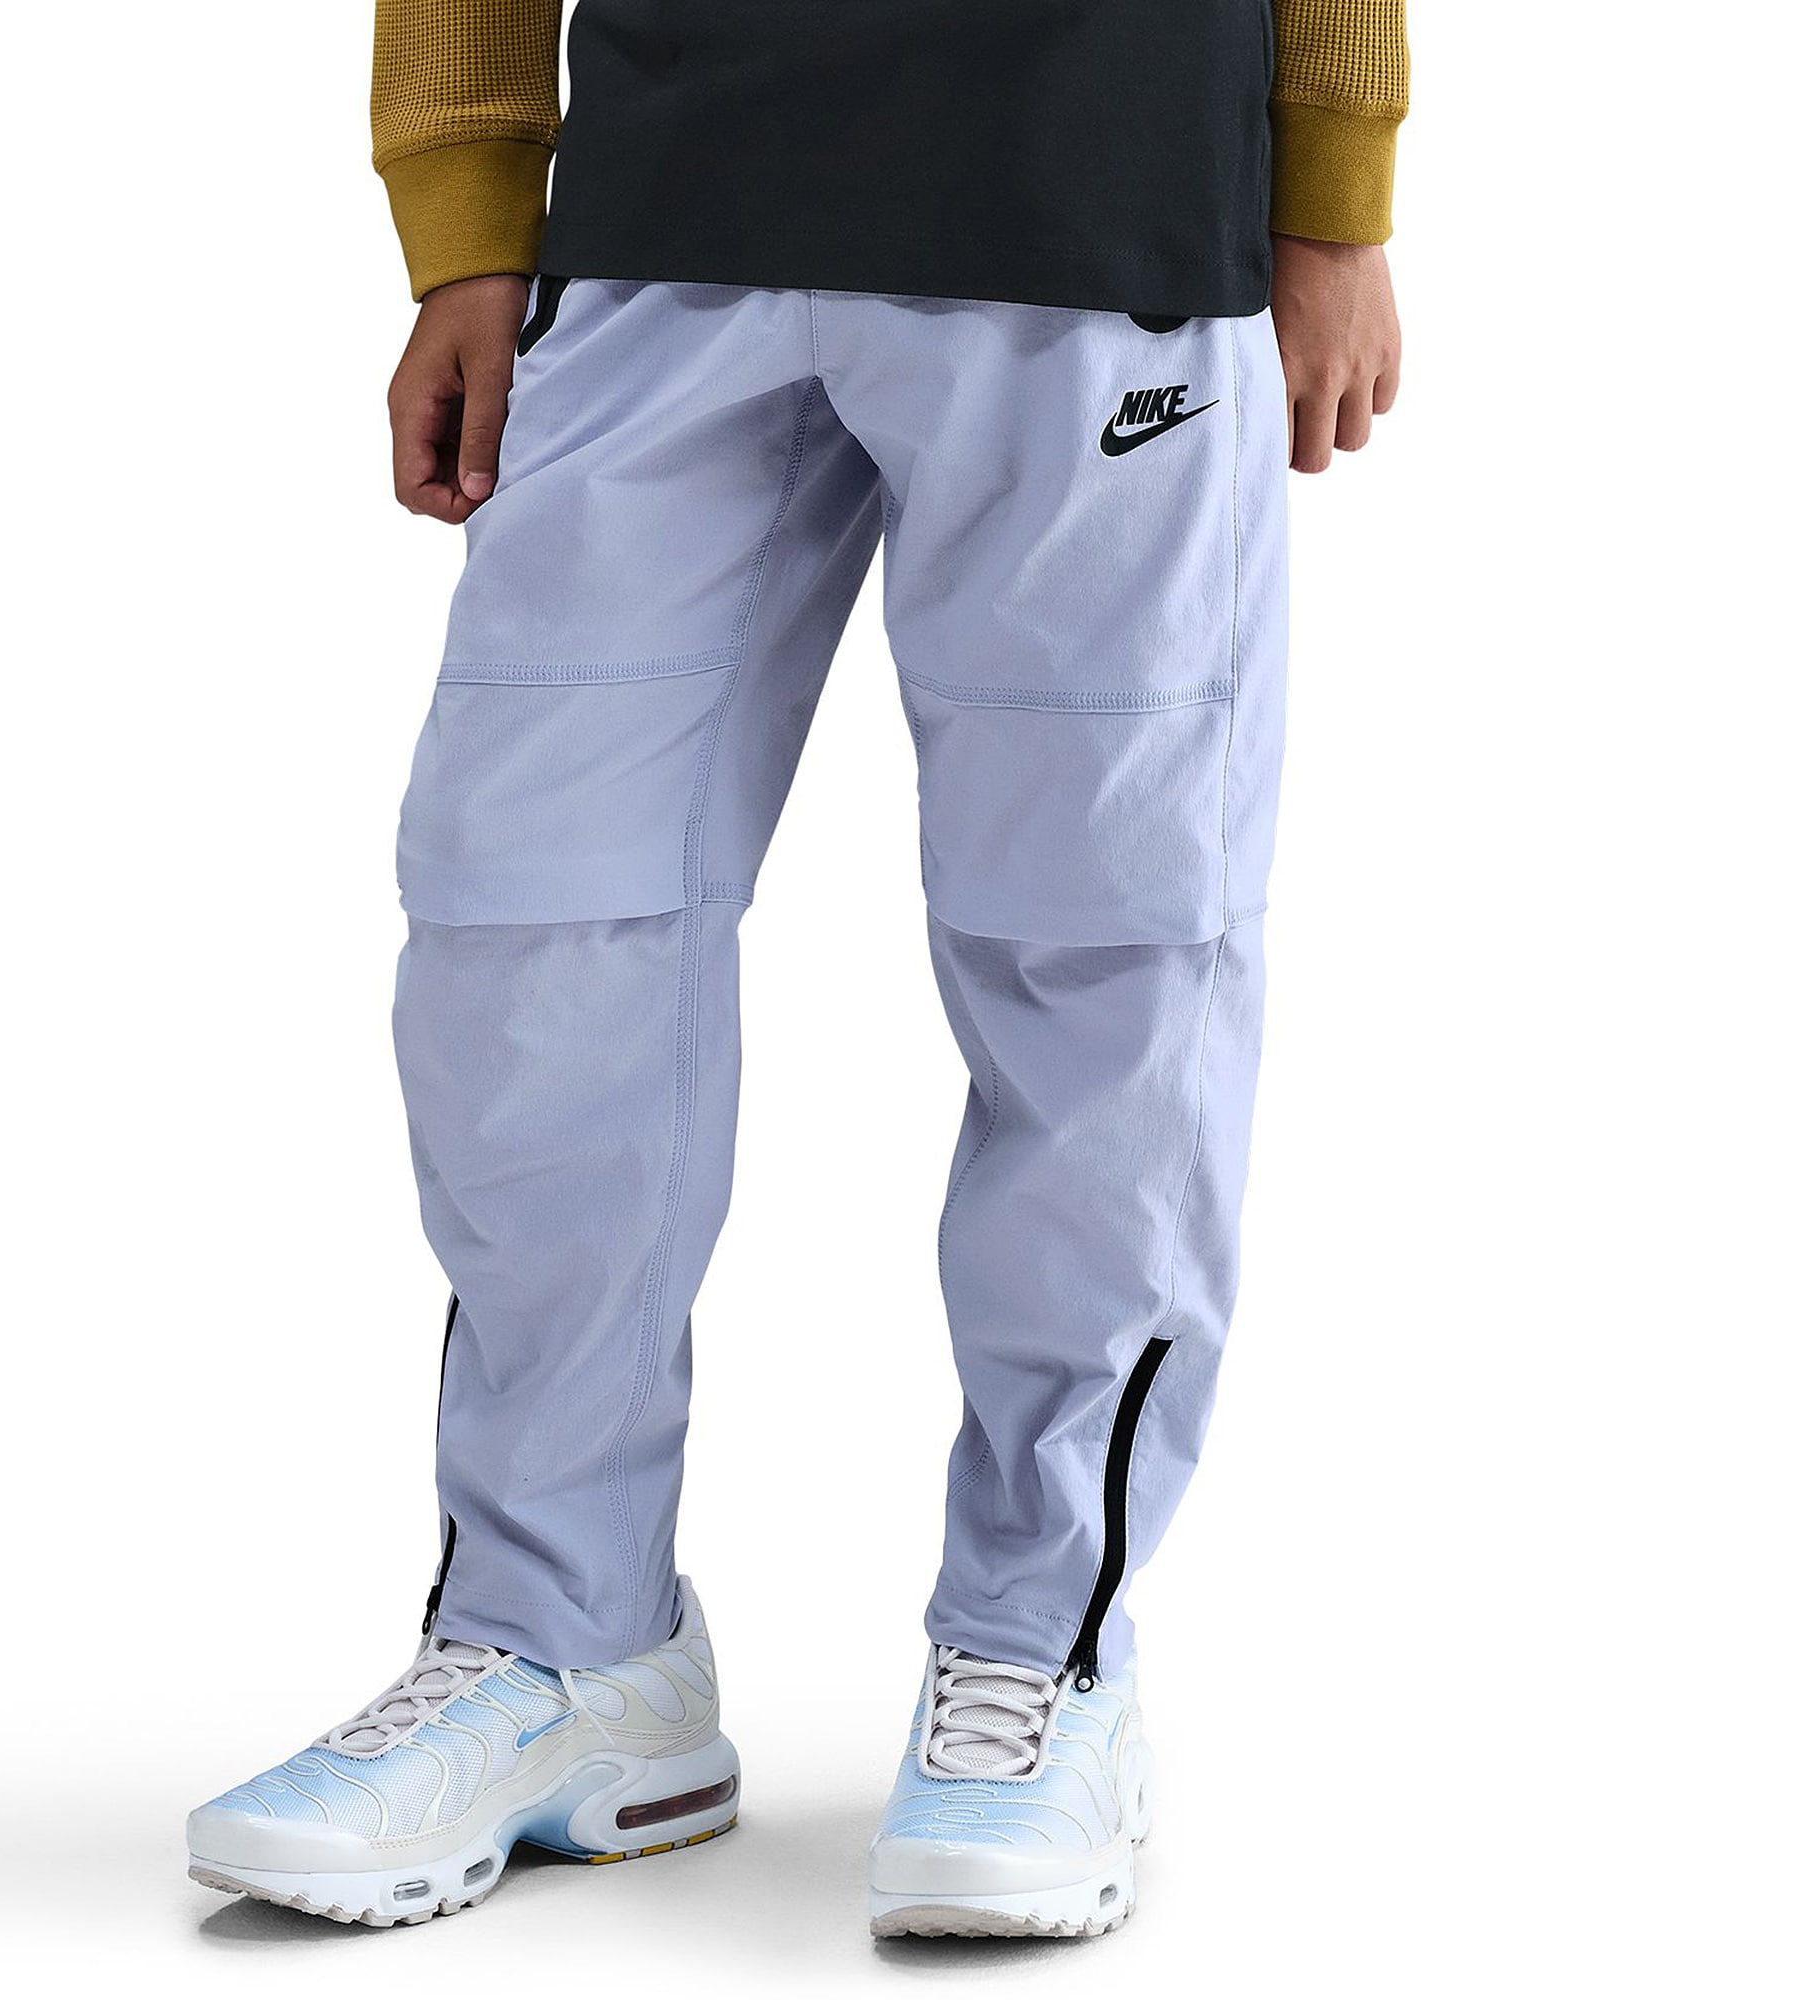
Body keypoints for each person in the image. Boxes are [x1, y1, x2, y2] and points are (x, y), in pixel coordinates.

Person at [187, 0, 1408, 1939]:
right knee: (533, 925)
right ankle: (563, 1643)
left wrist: (1332, 192)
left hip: (1098, 193)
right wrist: (468, 217)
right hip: (668, 205)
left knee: (1101, 943)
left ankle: (1039, 1643)